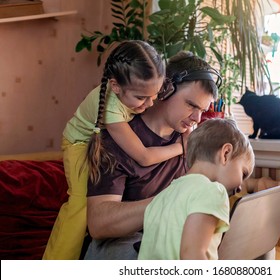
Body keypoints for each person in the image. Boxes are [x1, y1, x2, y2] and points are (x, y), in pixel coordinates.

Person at [43, 40, 183, 260]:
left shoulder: (139, 93)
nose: (148, 104)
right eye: (140, 98)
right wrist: (182, 146)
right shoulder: (110, 106)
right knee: (80, 207)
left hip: (98, 139)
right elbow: (144, 157)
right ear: (116, 86)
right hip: (79, 143)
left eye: (154, 96)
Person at [84, 51, 221, 260]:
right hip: (119, 245)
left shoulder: (188, 140)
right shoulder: (117, 138)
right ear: (164, 90)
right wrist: (168, 200)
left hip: (165, 237)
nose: (196, 118)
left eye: (202, 110)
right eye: (191, 105)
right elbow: (99, 223)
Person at [138, 118, 255, 260]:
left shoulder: (164, 194)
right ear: (225, 153)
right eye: (243, 173)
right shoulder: (213, 191)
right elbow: (192, 255)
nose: (240, 186)